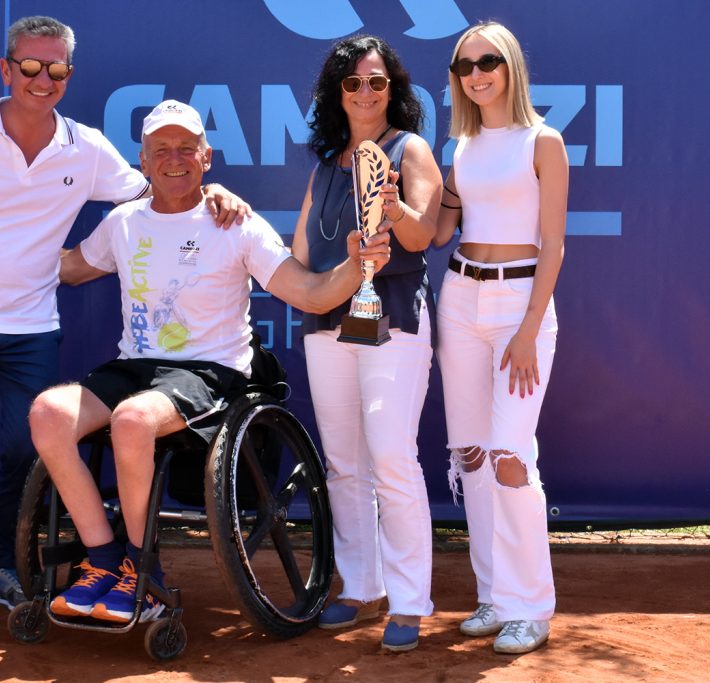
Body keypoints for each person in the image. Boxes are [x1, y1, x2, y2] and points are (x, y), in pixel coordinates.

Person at [0, 16, 249, 628]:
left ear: (69, 76)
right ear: (6, 69)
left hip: (32, 329)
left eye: (56, 70)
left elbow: (163, 184)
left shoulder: (88, 147)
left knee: (26, 448)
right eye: (30, 67)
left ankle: (3, 568)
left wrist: (217, 189)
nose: (42, 80)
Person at [26, 100, 392, 625]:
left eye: (185, 148)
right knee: (48, 414)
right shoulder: (122, 223)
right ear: (144, 162)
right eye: (161, 150)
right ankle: (104, 562)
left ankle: (141, 571)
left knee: (132, 421)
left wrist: (357, 266)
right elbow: (70, 268)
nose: (174, 159)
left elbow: (310, 294)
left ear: (206, 156)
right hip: (137, 366)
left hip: (212, 373)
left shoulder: (236, 223)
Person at [290, 35, 443, 652]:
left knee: (391, 458)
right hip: (329, 325)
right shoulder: (327, 161)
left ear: (394, 89)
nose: (365, 92)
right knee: (345, 465)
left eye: (377, 82)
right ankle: (360, 587)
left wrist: (394, 206)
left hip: (395, 320)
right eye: (352, 83)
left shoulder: (411, 149)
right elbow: (300, 253)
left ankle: (409, 601)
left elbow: (426, 233)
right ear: (337, 93)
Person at [433, 21, 568, 654]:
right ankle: (494, 596)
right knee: (472, 455)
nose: (477, 73)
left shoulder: (544, 141)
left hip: (521, 305)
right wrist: (388, 204)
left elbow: (555, 245)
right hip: (459, 297)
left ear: (510, 65)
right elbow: (439, 231)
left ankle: (530, 605)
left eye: (488, 61)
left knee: (512, 453)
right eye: (464, 66)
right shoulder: (457, 148)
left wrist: (529, 326)